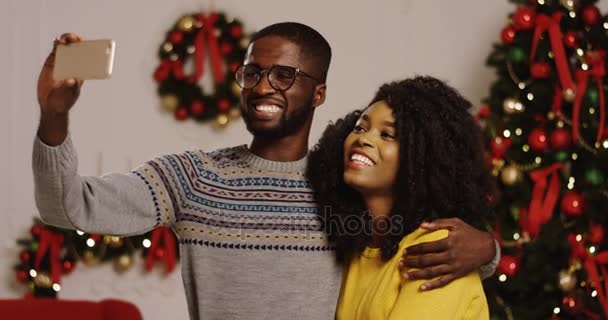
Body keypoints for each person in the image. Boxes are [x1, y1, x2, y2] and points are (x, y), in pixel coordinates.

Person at [33, 23, 498, 319]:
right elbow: (67, 206)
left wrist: (488, 249)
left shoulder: (343, 184)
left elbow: (410, 240)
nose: (263, 87)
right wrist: (54, 116)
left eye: (284, 75)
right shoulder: (193, 177)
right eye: (252, 72)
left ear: (318, 94)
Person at [307, 76, 495, 319]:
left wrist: (491, 249)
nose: (364, 139)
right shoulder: (353, 245)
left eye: (387, 134)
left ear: (424, 158)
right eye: (360, 127)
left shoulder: (438, 252)